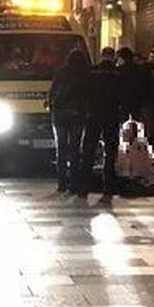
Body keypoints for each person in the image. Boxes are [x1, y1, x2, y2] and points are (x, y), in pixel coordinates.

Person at [47, 48, 92, 194]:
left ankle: (61, 183)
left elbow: (52, 92)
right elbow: (88, 96)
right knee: (75, 149)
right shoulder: (85, 74)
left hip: (60, 115)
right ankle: (74, 183)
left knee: (61, 148)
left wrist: (52, 106)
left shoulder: (61, 72)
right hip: (77, 115)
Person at [85, 47, 123, 200]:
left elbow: (86, 92)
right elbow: (122, 95)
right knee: (110, 151)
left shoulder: (92, 72)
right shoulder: (118, 73)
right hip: (111, 115)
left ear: (101, 56)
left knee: (89, 149)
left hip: (94, 114)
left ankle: (84, 186)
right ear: (113, 57)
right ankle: (108, 187)